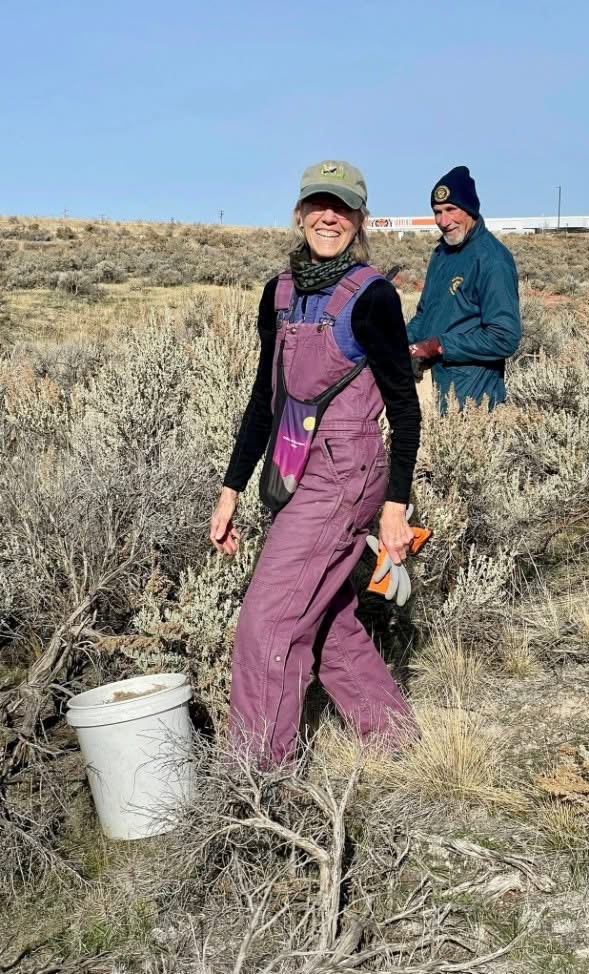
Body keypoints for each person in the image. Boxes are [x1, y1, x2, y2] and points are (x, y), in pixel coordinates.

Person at [210, 160, 421, 765]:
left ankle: (256, 783)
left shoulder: (372, 296)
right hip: (295, 469)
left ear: (359, 220)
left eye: (343, 207)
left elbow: (405, 410)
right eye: (318, 205)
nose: (329, 217)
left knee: (267, 626)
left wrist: (394, 508)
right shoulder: (279, 293)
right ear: (301, 214)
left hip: (346, 476)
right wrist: (232, 488)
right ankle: (397, 741)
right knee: (324, 615)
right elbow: (265, 397)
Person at [406, 166, 522, 410]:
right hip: (432, 390)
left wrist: (438, 346)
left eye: (451, 210)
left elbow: (504, 338)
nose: (444, 222)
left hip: (471, 401)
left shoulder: (492, 259)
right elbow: (425, 315)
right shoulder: (441, 254)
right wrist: (398, 344)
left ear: (470, 210)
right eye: (437, 212)